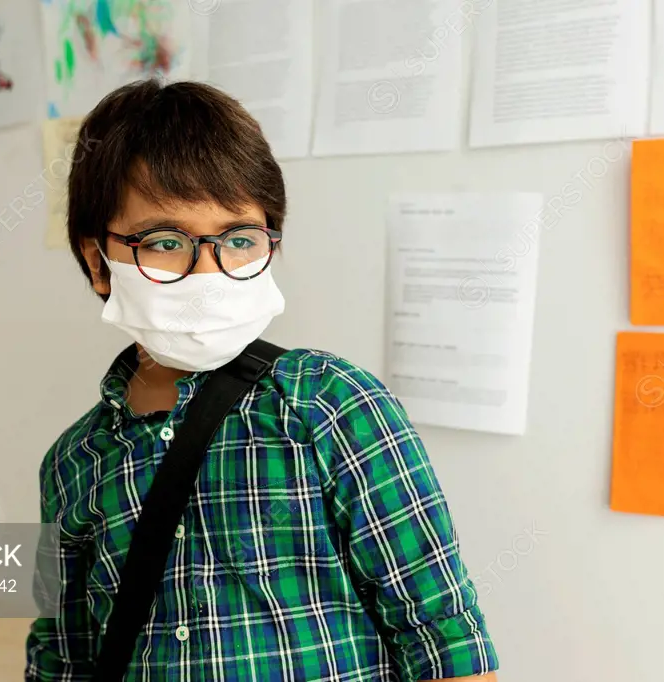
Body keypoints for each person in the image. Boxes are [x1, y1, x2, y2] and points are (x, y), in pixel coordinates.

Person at [25, 79, 499, 681]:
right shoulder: (70, 464)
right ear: (99, 262)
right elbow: (63, 657)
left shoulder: (331, 405)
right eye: (166, 241)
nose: (207, 270)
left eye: (239, 239)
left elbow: (445, 640)